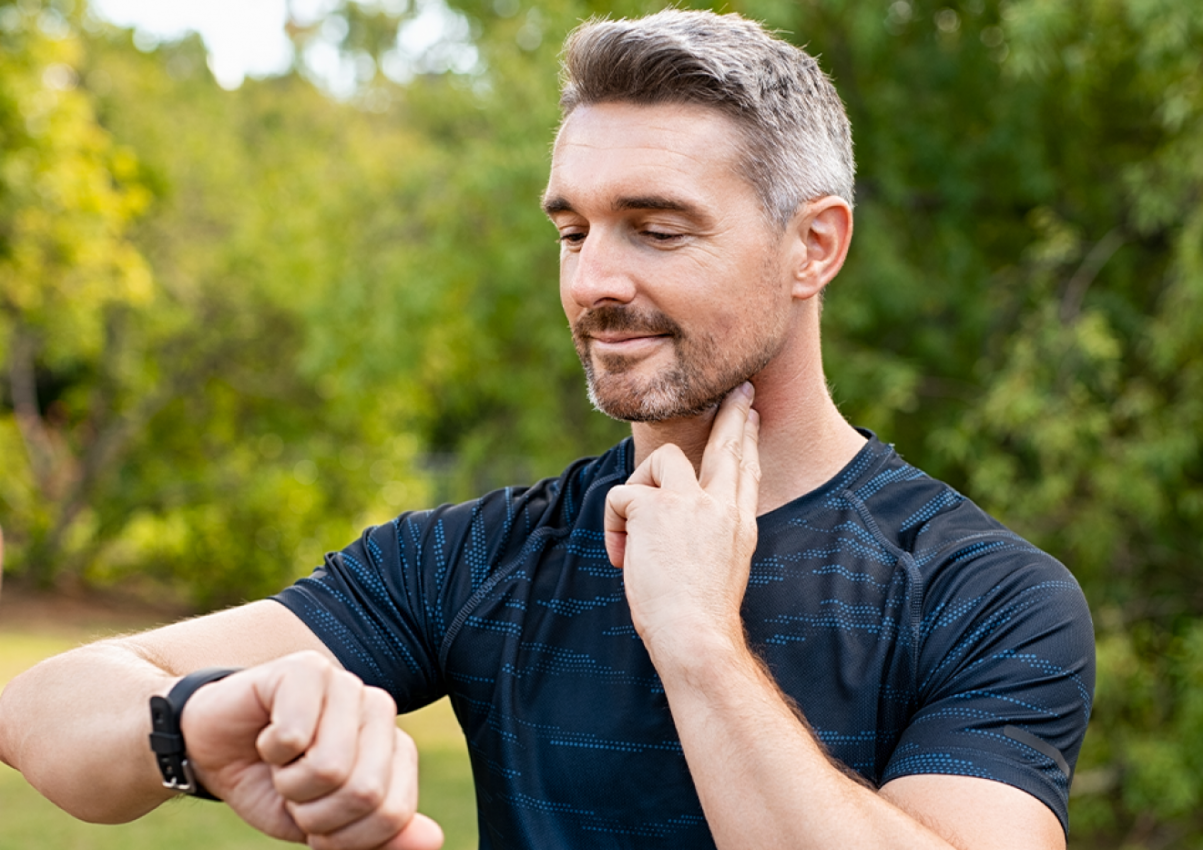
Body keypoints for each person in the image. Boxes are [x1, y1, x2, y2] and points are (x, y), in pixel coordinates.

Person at [0, 10, 1094, 850]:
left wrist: (700, 644)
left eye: (657, 229)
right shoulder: (474, 560)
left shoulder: (983, 593)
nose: (594, 281)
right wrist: (201, 720)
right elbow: (42, 711)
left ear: (814, 246)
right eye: (573, 229)